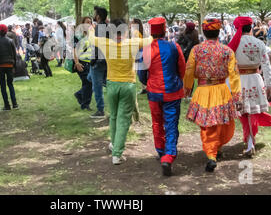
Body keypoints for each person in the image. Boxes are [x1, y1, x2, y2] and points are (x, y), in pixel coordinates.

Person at [88, 18, 152, 165]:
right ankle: (117, 153)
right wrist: (139, 29)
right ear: (125, 31)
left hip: (111, 84)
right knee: (123, 119)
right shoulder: (133, 42)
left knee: (114, 117)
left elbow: (91, 37)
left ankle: (114, 144)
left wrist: (92, 27)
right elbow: (150, 40)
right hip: (128, 85)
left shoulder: (105, 42)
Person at [184, 18, 241, 172]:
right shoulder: (227, 51)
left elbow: (189, 70)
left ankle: (211, 153)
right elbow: (234, 75)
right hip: (221, 89)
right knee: (221, 121)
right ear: (218, 32)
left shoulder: (196, 50)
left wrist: (187, 87)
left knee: (207, 124)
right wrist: (237, 96)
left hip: (203, 90)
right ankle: (215, 150)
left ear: (204, 32)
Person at [138, 17, 186, 176]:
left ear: (151, 32)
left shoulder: (145, 50)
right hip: (172, 91)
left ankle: (160, 150)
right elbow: (182, 68)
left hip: (154, 92)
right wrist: (178, 80)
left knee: (157, 122)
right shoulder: (174, 47)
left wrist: (148, 82)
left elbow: (141, 74)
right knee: (171, 124)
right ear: (165, 30)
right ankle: (169, 155)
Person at [228, 16, 271, 157]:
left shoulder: (234, 44)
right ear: (251, 27)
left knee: (244, 111)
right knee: (252, 112)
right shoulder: (259, 43)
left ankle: (249, 140)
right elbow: (267, 66)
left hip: (239, 81)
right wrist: (269, 85)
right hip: (255, 79)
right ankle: (250, 141)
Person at [88, 6, 109, 119]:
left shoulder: (99, 28)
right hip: (106, 61)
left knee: (97, 86)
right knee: (90, 78)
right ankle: (105, 82)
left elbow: (98, 46)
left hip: (98, 62)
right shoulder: (107, 27)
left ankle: (100, 110)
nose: (93, 15)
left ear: (98, 16)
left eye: (94, 13)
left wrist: (93, 60)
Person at [0, 24, 19, 111]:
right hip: (10, 65)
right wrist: (14, 66)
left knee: (3, 86)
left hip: (0, 66)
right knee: (10, 84)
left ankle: (6, 105)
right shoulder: (10, 41)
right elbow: (14, 55)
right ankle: (14, 104)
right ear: (6, 31)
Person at [73, 17, 93, 111]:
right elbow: (74, 49)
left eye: (90, 22)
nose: (89, 24)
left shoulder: (91, 34)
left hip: (90, 62)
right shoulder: (78, 35)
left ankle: (80, 95)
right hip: (81, 62)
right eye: (87, 22)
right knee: (88, 83)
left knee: (88, 83)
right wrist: (77, 63)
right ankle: (85, 105)